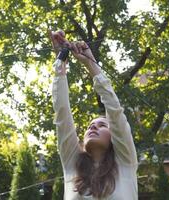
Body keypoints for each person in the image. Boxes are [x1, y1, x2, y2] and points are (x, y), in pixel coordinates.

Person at [50, 30, 138, 200]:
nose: (93, 127)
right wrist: (60, 61)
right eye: (91, 126)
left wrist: (91, 64)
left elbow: (114, 110)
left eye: (102, 125)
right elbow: (62, 115)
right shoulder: (72, 164)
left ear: (115, 136)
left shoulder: (125, 162)